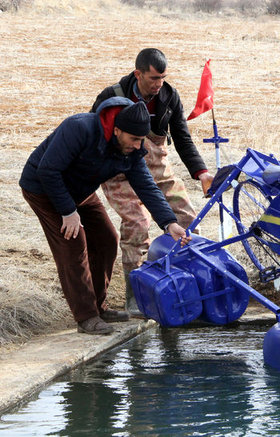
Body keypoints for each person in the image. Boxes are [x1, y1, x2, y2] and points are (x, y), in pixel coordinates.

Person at [20, 98, 191, 335]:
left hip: (80, 191)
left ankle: (99, 307)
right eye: (133, 139)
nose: (137, 145)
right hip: (43, 189)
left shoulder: (133, 149)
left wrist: (169, 223)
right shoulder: (79, 128)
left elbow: (147, 187)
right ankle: (86, 317)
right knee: (73, 243)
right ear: (117, 130)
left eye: (141, 140)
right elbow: (48, 170)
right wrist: (68, 212)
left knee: (107, 240)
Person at [91, 48, 213, 317]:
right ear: (138, 74)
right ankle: (136, 296)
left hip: (158, 169)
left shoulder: (169, 96)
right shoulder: (112, 97)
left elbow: (182, 137)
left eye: (163, 77)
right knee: (138, 224)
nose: (159, 84)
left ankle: (192, 285)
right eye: (154, 78)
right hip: (119, 171)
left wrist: (201, 172)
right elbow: (96, 138)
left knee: (189, 219)